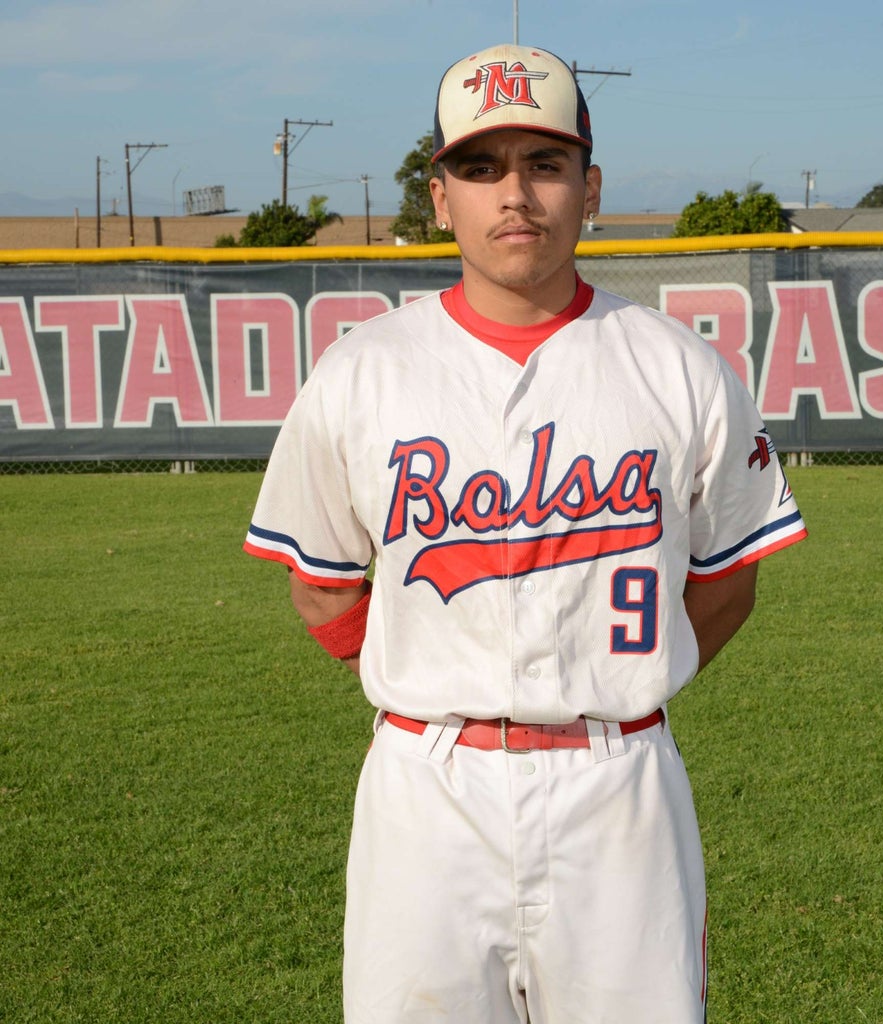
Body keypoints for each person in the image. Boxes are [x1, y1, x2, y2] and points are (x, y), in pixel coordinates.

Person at [244, 43, 807, 1023]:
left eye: (543, 164)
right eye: (480, 165)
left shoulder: (681, 368)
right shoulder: (361, 373)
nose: (515, 192)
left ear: (589, 187)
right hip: (427, 789)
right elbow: (322, 584)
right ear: (439, 196)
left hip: (619, 784)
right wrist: (443, 680)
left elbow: (726, 581)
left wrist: (608, 685)